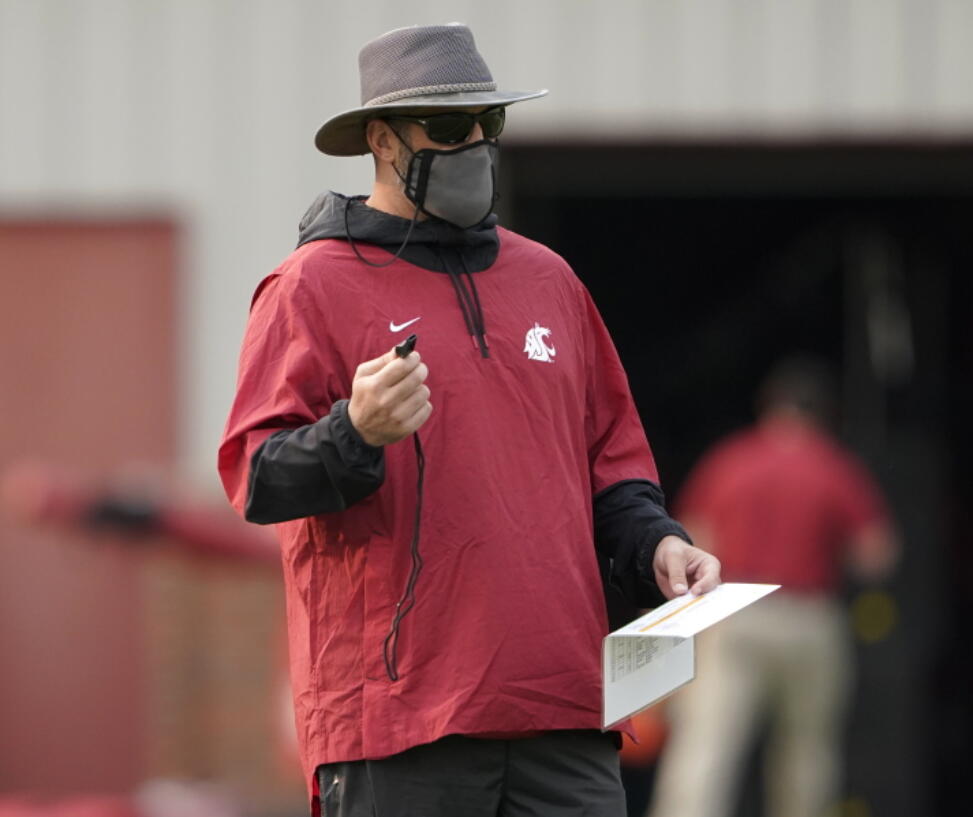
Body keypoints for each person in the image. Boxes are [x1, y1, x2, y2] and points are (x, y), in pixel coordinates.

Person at [217, 23, 720, 817]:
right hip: (398, 723)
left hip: (566, 711)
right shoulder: (309, 286)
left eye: (491, 123)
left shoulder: (550, 280)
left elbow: (613, 469)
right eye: (452, 128)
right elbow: (255, 475)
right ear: (381, 140)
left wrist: (661, 543)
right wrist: (357, 431)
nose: (477, 144)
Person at [646, 357, 898, 817]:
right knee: (806, 755)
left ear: (768, 407)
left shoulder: (732, 458)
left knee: (705, 748)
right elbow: (876, 555)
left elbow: (695, 536)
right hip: (809, 619)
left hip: (733, 613)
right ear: (822, 412)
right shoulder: (833, 466)